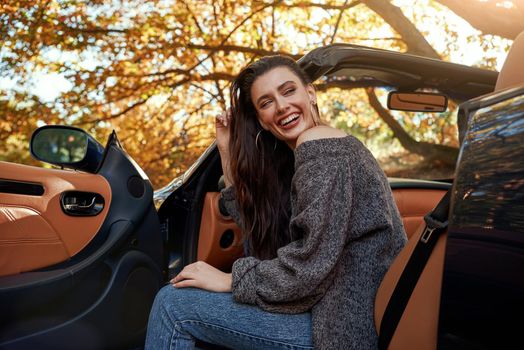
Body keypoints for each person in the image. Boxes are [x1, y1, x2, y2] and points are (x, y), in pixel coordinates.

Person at [145, 55, 407, 349]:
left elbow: (308, 268)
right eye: (266, 102)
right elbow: (264, 237)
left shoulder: (320, 145)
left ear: (310, 93)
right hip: (333, 315)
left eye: (288, 91)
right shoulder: (311, 155)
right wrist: (226, 151)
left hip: (340, 330)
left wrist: (230, 279)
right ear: (261, 121)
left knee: (173, 305)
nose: (282, 106)